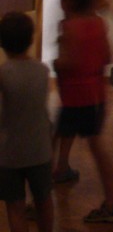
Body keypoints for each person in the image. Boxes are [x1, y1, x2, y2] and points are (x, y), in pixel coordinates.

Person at [53, 0, 113, 224]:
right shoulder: (98, 24)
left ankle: (40, 200)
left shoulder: (70, 28)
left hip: (76, 99)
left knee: (52, 141)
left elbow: (68, 62)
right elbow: (107, 56)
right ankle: (112, 201)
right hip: (96, 98)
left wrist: (57, 63)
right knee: (96, 148)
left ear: (68, 1)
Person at [0, 12, 54, 232]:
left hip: (9, 151)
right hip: (40, 149)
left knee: (15, 207)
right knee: (44, 200)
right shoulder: (42, 71)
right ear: (31, 39)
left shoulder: (3, 73)